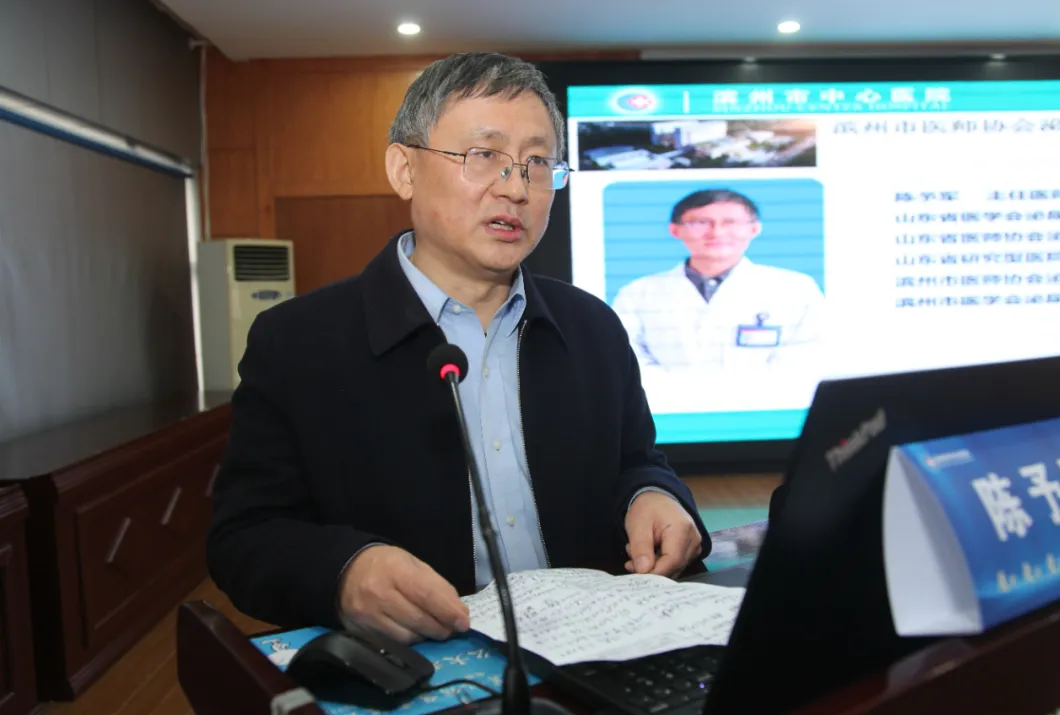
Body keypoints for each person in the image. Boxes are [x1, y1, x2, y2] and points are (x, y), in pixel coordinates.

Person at [206, 52, 711, 645]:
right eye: (483, 155)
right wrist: (343, 571)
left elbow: (638, 460)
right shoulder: (297, 343)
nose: (516, 188)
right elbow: (245, 537)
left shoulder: (592, 326)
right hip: (424, 662)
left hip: (596, 651)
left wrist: (653, 495)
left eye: (537, 163)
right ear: (404, 169)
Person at [611, 188, 826, 375]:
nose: (717, 232)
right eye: (701, 223)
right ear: (675, 230)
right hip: (669, 405)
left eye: (731, 222)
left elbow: (808, 354)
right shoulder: (636, 293)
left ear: (754, 229)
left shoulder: (797, 288)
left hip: (770, 404)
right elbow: (629, 358)